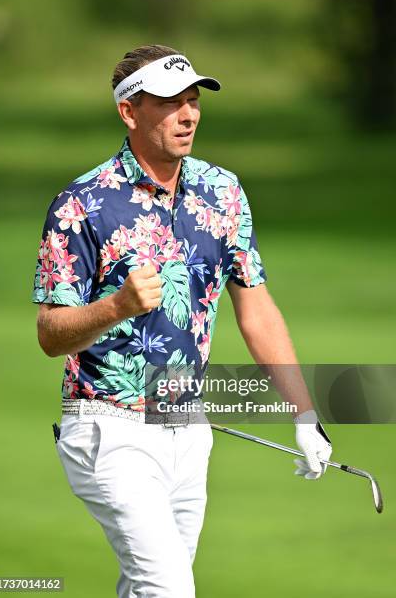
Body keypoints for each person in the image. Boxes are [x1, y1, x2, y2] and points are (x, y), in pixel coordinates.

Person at [32, 44, 333, 598]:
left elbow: (256, 307)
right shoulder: (82, 203)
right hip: (107, 427)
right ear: (130, 111)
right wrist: (116, 306)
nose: (188, 115)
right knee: (168, 588)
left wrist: (303, 410)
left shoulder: (223, 192)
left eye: (193, 101)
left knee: (151, 589)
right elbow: (51, 335)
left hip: (188, 429)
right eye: (170, 103)